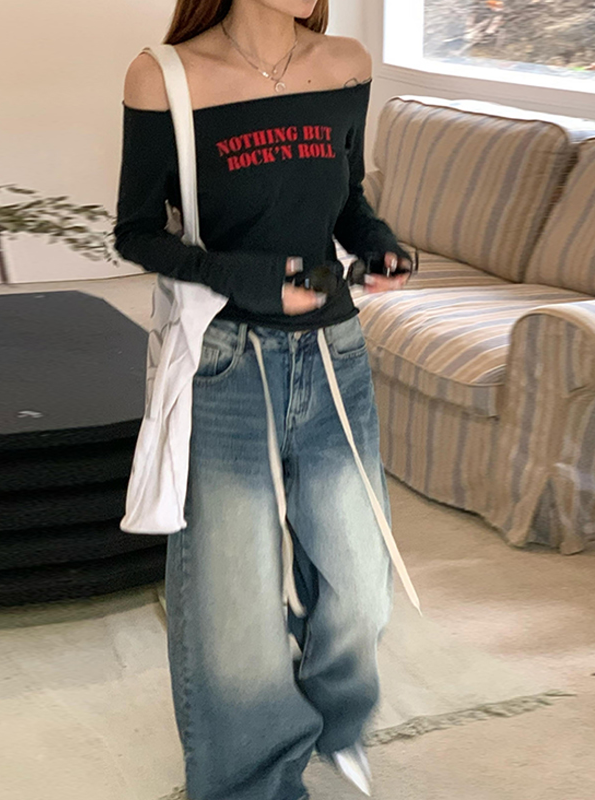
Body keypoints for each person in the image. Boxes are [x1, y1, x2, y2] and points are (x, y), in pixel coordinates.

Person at [114, 2, 415, 798]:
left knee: (359, 581)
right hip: (227, 361)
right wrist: (246, 279)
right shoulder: (164, 77)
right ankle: (254, 779)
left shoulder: (345, 63)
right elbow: (136, 231)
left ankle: (335, 720)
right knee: (235, 605)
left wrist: (377, 243)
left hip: (335, 351)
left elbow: (346, 202)